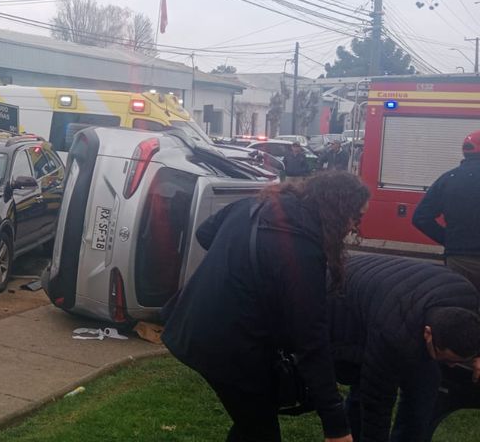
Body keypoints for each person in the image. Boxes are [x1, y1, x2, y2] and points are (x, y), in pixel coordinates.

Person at [162, 171, 370, 442]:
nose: (355, 228)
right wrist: (336, 426)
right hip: (224, 347)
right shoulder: (303, 250)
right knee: (261, 432)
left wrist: (242, 268)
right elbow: (311, 341)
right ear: (337, 209)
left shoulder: (255, 205)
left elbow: (206, 233)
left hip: (196, 325)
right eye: (357, 218)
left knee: (253, 422)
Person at [329, 253, 480, 442]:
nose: (451, 366)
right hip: (344, 302)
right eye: (448, 360)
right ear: (428, 334)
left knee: (426, 387)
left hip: (391, 290)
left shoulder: (467, 296)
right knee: (363, 385)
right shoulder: (392, 333)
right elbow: (377, 402)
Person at [413, 130, 480, 292]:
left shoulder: (448, 179)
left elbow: (420, 217)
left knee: (462, 307)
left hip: (459, 259)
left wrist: (450, 240)